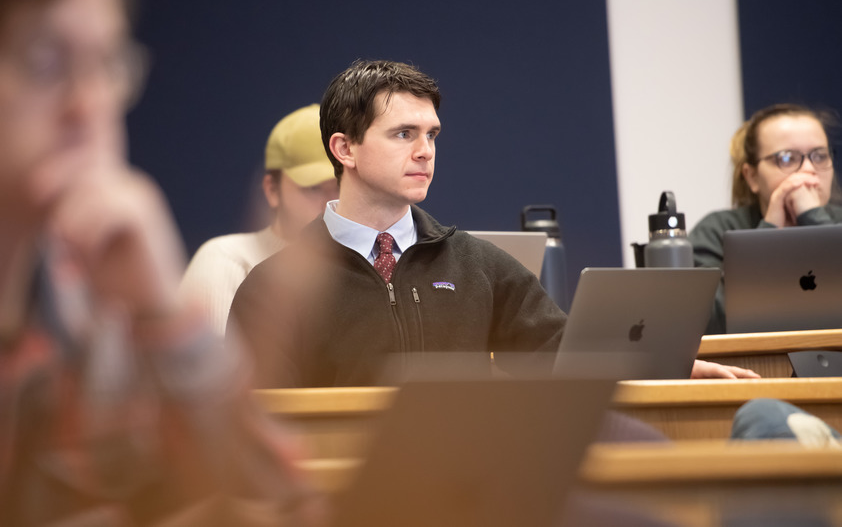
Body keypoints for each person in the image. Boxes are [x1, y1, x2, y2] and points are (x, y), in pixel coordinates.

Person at [229, 59, 757, 388]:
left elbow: (564, 356)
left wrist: (667, 366)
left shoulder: (477, 264)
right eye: (403, 134)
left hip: (473, 484)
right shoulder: (273, 287)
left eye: (432, 135)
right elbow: (257, 425)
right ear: (344, 148)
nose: (425, 152)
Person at [0, 0, 321, 524]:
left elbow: (283, 507)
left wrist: (163, 314)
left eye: (106, 64)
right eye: (44, 60)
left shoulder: (99, 301)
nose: (88, 103)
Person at [181, 104, 338, 336]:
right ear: (272, 190)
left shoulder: (375, 268)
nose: (330, 203)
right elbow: (211, 372)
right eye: (312, 188)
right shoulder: (226, 262)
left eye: (343, 186)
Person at [690, 103, 842, 334]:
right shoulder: (716, 230)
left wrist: (813, 217)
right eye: (787, 158)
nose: (809, 169)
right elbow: (707, 323)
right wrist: (769, 231)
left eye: (820, 156)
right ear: (751, 177)